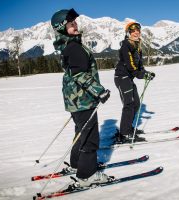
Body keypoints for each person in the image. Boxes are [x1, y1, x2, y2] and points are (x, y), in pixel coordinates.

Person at [51, 8, 111, 187]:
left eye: (75, 22)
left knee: (81, 133)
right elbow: (80, 75)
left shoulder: (68, 45)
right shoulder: (74, 47)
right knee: (90, 138)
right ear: (62, 28)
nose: (75, 25)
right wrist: (99, 91)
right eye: (70, 24)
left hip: (75, 101)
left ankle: (78, 164)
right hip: (83, 100)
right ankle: (87, 175)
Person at [114, 21, 155, 144]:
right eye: (133, 31)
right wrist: (141, 75)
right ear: (128, 33)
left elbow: (139, 65)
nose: (136, 32)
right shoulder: (126, 45)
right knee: (129, 105)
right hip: (122, 77)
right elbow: (131, 65)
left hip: (129, 78)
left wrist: (146, 73)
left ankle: (128, 128)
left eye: (138, 30)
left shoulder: (138, 47)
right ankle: (124, 134)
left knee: (136, 104)